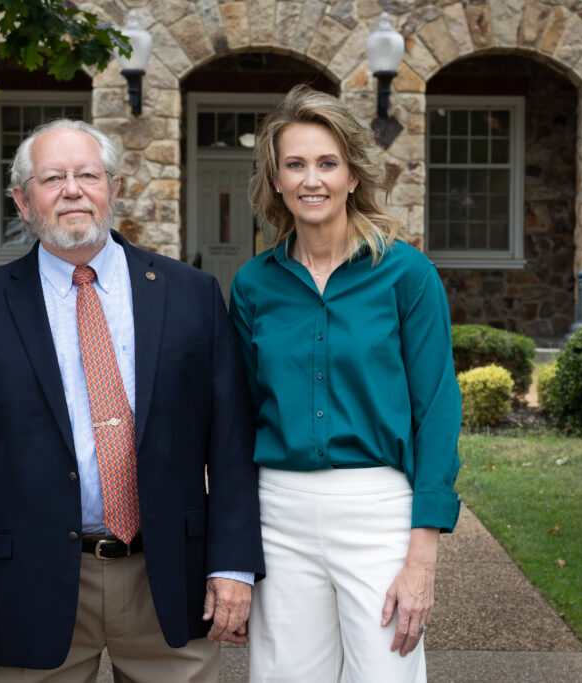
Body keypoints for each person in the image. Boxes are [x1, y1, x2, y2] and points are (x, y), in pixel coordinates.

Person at [0, 118, 264, 682]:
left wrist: (233, 565)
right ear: (23, 202)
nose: (72, 189)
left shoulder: (191, 295)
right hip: (30, 583)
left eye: (87, 174)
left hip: (169, 579)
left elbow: (230, 442)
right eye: (52, 178)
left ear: (114, 188)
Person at [228, 85, 461, 682]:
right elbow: (238, 416)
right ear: (275, 180)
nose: (312, 179)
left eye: (327, 163)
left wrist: (423, 557)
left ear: (354, 175)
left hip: (377, 510)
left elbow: (436, 410)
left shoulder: (407, 274)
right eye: (296, 164)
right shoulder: (255, 284)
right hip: (278, 513)